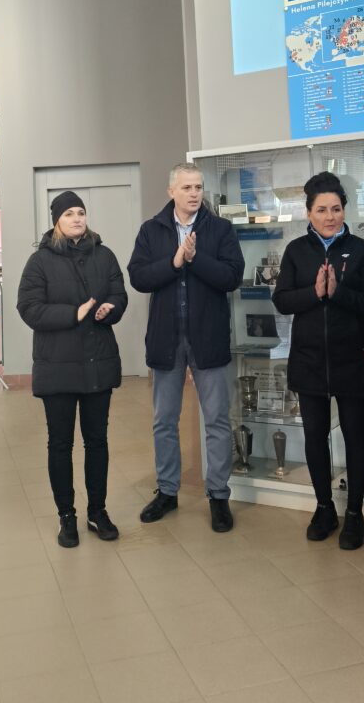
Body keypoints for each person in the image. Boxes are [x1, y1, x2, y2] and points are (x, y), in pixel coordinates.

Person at [127, 163, 245, 532]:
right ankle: (167, 491)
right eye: (186, 187)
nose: (194, 193)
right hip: (167, 341)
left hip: (208, 339)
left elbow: (231, 277)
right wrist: (174, 261)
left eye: (198, 187)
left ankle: (219, 495)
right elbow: (138, 277)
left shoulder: (220, 229)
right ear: (171, 192)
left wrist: (194, 260)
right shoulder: (152, 230)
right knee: (164, 420)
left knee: (217, 420)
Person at [273, 172, 364, 549]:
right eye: (321, 210)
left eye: (336, 209)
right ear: (308, 213)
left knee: (355, 434)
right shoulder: (296, 251)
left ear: (345, 210)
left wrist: (338, 294)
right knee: (314, 435)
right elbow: (282, 300)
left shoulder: (361, 250)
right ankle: (324, 508)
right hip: (309, 359)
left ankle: (354, 513)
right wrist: (315, 292)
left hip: (353, 358)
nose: (330, 216)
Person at [17, 191, 127, 548]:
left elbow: (119, 294)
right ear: (56, 222)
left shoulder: (105, 255)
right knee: (60, 444)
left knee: (97, 441)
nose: (77, 218)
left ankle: (98, 512)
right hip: (58, 368)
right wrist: (72, 313)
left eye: (81, 212)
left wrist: (110, 308)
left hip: (97, 364)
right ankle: (67, 516)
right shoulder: (40, 261)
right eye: (69, 214)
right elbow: (28, 308)